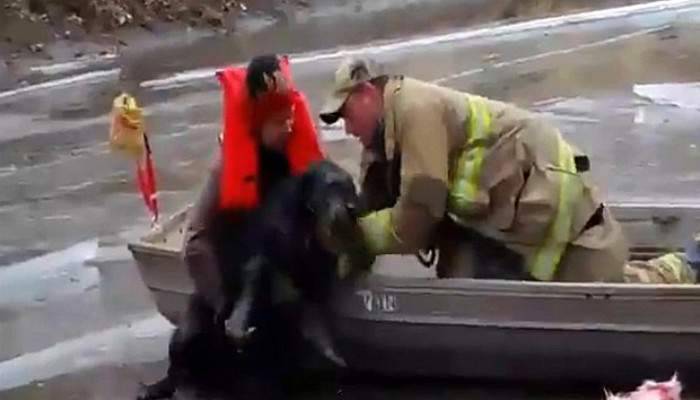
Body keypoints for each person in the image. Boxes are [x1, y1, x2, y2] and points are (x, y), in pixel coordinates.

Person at [318, 57, 697, 284]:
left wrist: (358, 236)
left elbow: (419, 213)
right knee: (466, 275)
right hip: (504, 213)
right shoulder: (385, 134)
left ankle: (688, 263)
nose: (348, 129)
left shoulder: (416, 110)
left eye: (347, 115)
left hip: (543, 200)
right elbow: (375, 200)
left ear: (368, 92)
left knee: (610, 292)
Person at [138, 53, 324, 400]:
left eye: (292, 117)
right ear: (259, 124)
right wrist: (226, 305)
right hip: (232, 286)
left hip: (279, 277)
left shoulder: (292, 150)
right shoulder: (227, 170)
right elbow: (195, 243)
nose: (289, 126)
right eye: (280, 120)